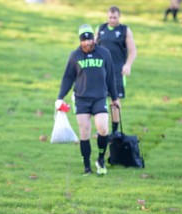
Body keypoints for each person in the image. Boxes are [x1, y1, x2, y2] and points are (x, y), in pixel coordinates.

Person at [56, 24, 120, 176]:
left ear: (94, 38)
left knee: (103, 129)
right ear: (80, 41)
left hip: (99, 97)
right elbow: (68, 78)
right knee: (84, 133)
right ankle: (86, 166)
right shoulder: (75, 56)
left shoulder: (104, 53)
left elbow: (110, 76)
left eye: (89, 39)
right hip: (82, 99)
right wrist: (60, 97)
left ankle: (100, 159)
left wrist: (114, 98)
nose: (87, 43)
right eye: (84, 40)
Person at [95, 6, 137, 133]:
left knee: (115, 102)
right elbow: (93, 48)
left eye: (115, 17)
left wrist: (128, 65)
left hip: (117, 71)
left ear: (119, 17)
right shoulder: (100, 29)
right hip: (101, 70)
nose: (112, 20)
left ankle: (115, 131)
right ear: (107, 16)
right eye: (110, 17)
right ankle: (102, 129)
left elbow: (133, 50)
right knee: (100, 99)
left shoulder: (125, 30)